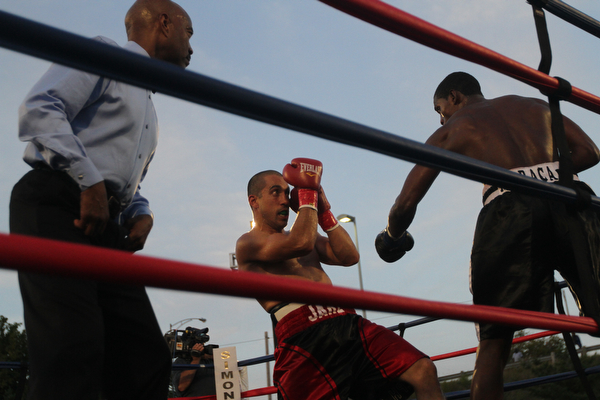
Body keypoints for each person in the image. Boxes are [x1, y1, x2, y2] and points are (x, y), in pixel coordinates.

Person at [376, 72, 600, 400]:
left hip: (510, 207)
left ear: (454, 97)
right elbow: (590, 151)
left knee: (493, 344)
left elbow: (405, 203)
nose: (441, 119)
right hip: (575, 200)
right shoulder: (535, 105)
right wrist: (547, 173)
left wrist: (392, 237)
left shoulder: (454, 128)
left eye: (440, 109)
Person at [10, 1, 194, 399]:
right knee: (70, 347)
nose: (191, 48)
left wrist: (140, 211)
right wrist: (88, 181)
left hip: (102, 218)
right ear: (164, 23)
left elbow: (120, 175)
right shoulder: (105, 54)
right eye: (189, 32)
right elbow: (40, 108)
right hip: (57, 200)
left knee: (145, 356)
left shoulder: (149, 109)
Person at [235, 159, 445, 400]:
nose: (284, 200)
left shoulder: (305, 232)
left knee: (422, 369)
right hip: (302, 334)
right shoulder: (248, 243)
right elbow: (300, 244)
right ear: (254, 201)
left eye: (286, 192)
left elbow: (348, 256)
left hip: (345, 321)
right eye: (275, 193)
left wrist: (324, 212)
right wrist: (307, 197)